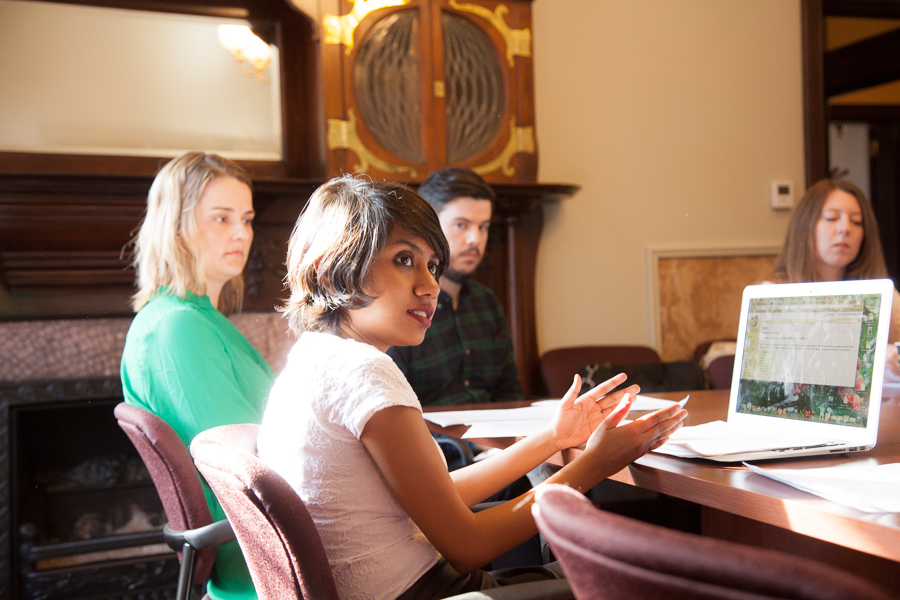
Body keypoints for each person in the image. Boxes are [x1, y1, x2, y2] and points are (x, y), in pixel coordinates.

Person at [257, 175, 686, 600]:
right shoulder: (364, 372)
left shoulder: (314, 358)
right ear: (332, 273)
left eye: (432, 265)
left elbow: (442, 495)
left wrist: (553, 437)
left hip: (415, 583)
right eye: (404, 259)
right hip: (427, 591)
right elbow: (467, 548)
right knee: (644, 580)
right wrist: (594, 464)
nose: (429, 287)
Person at [121, 151, 275, 600]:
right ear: (175, 226)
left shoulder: (199, 318)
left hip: (272, 542)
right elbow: (249, 466)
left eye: (245, 219)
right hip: (264, 562)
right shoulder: (176, 327)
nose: (241, 233)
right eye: (221, 219)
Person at [386, 168, 521, 406]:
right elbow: (394, 407)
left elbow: (509, 390)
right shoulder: (402, 306)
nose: (475, 239)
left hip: (501, 436)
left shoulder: (487, 302)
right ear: (428, 227)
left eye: (483, 227)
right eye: (461, 225)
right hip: (432, 439)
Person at [766, 177, 900, 374]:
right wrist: (874, 355)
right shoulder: (771, 293)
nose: (845, 228)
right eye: (831, 218)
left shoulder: (880, 293)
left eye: (856, 221)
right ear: (805, 226)